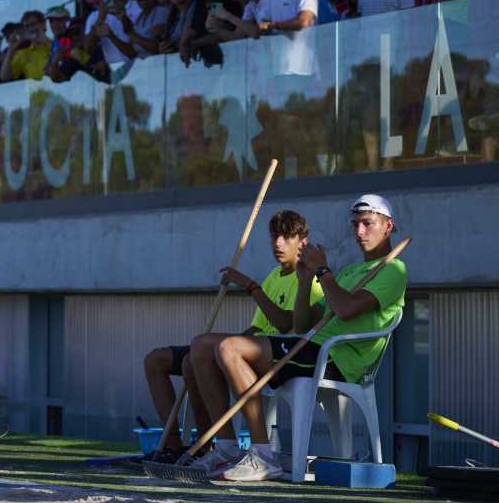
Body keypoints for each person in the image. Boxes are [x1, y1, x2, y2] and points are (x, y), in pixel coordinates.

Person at [209, 194, 407, 482]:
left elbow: (346, 309)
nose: (359, 231)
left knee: (229, 348)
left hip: (335, 358)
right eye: (355, 225)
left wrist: (323, 272)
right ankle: (226, 449)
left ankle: (262, 455)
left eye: (368, 224)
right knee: (209, 346)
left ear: (388, 226)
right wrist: (304, 282)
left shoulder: (394, 269)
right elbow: (302, 322)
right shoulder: (351, 271)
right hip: (310, 347)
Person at [142, 210, 323, 466]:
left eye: (286, 237)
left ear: (302, 240)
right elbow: (256, 329)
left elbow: (286, 324)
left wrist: (250, 286)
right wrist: (225, 344)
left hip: (287, 354)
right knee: (173, 356)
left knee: (205, 348)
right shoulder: (274, 276)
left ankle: (224, 447)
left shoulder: (310, 280)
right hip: (257, 346)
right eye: (274, 236)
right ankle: (187, 447)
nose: (278, 244)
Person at [84, 0, 140, 69]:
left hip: (139, 66)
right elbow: (87, 51)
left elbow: (139, 47)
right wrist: (100, 19)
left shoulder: (139, 7)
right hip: (115, 73)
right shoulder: (95, 15)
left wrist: (124, 17)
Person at [0, 10, 52, 82]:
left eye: (33, 24)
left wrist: (45, 42)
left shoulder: (56, 44)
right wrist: (11, 50)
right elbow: (4, 77)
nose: (31, 28)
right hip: (35, 93)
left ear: (43, 24)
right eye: (27, 26)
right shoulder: (23, 53)